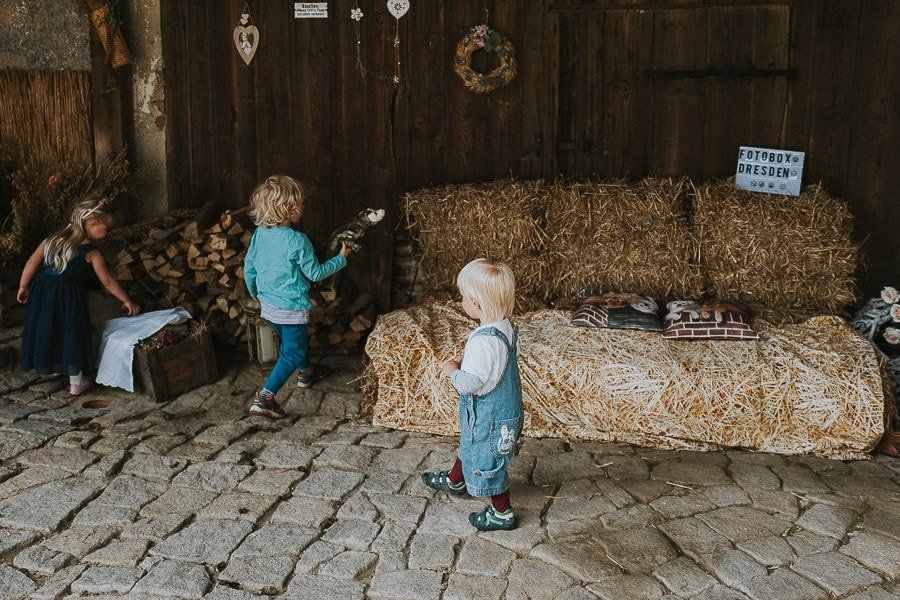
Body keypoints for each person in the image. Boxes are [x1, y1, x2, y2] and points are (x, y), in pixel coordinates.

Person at [421, 258, 523, 531]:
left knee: (487, 462)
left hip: (488, 415)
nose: (461, 300)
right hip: (504, 411)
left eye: (463, 296)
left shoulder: (482, 341)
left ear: (476, 303)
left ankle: (502, 513)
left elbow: (469, 384)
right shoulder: (506, 328)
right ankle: (457, 479)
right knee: (473, 445)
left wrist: (453, 370)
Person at [244, 175, 351, 418]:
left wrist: (254, 291)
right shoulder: (297, 240)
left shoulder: (260, 233)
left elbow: (249, 264)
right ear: (286, 209)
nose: (303, 208)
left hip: (268, 304)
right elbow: (316, 273)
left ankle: (306, 373)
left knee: (291, 344)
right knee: (291, 351)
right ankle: (265, 398)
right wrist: (341, 258)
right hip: (290, 307)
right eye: (300, 204)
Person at [17, 193, 140, 396]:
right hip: (68, 297)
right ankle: (76, 382)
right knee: (71, 332)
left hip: (43, 291)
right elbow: (107, 281)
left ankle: (54, 365)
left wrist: (23, 285)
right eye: (107, 227)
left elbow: (32, 262)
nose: (109, 232)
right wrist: (126, 299)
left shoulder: (51, 239)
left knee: (48, 327)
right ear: (91, 223)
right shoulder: (92, 253)